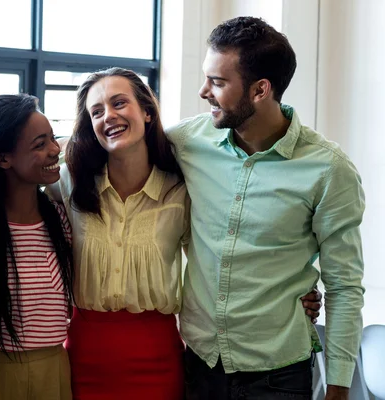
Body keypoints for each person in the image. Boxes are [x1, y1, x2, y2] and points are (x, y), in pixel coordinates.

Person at [47, 67, 322, 400]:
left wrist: (295, 292)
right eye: (97, 112)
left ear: (147, 112)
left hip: (158, 361)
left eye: (119, 103)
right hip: (82, 358)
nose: (109, 116)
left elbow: (222, 259)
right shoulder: (69, 182)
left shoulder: (182, 190)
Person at [165, 17, 365, 400]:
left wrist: (338, 386)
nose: (203, 91)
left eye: (218, 82)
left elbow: (343, 284)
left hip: (279, 376)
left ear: (260, 90)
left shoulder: (328, 169)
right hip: (198, 365)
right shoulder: (187, 141)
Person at [0, 94, 75, 399]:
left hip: (54, 366)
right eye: (40, 144)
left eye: (53, 139)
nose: (55, 150)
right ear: (3, 159)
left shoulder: (58, 216)